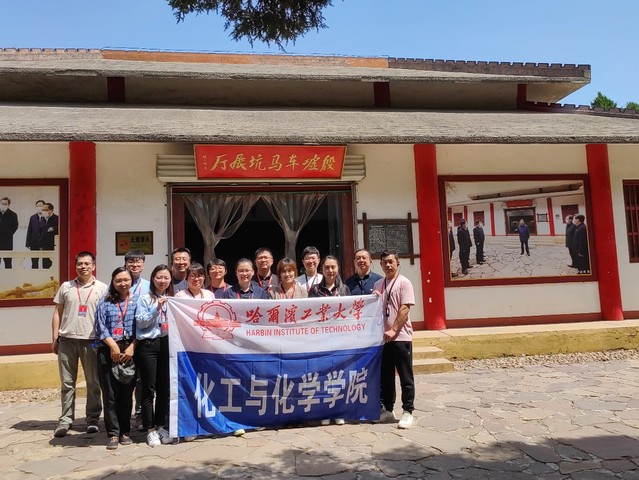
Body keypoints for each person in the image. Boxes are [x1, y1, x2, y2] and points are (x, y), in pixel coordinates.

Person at [51, 251, 107, 438]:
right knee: (67, 383)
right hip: (67, 340)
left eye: (87, 264)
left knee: (93, 382)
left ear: (93, 266)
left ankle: (92, 419)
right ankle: (65, 420)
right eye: (80, 264)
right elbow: (57, 312)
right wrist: (55, 337)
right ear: (75, 266)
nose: (83, 267)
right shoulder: (66, 287)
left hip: (91, 341)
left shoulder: (102, 288)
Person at [94, 267, 137, 450]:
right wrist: (112, 346)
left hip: (129, 349)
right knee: (110, 393)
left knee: (126, 393)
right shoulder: (104, 302)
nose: (123, 283)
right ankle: (112, 433)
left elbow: (142, 327)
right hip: (108, 348)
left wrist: (132, 347)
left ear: (131, 281)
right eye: (118, 280)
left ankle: (125, 431)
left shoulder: (137, 301)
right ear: (112, 282)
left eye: (126, 280)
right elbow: (100, 326)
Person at [373, 249, 416, 429]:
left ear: (398, 263)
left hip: (400, 337)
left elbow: (405, 308)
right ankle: (388, 410)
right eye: (385, 262)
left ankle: (408, 411)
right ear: (381, 265)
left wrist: (394, 329)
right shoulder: (378, 284)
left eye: (391, 261)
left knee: (405, 376)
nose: (388, 265)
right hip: (383, 339)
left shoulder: (404, 283)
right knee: (386, 377)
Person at [135, 264, 173, 447]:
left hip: (166, 344)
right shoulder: (144, 299)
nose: (162, 281)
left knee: (164, 389)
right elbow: (141, 323)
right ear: (152, 279)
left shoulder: (173, 300)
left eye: (166, 277)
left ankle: (160, 426)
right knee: (148, 388)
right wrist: (157, 307)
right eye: (159, 277)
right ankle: (150, 429)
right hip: (148, 345)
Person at [124, 249, 150, 431]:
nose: (134, 265)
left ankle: (140, 414)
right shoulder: (119, 282)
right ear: (126, 264)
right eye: (131, 262)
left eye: (138, 261)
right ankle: (124, 415)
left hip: (143, 338)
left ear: (143, 264)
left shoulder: (148, 286)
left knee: (142, 380)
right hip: (123, 339)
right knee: (124, 379)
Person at [25, 199, 45, 268]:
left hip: (44, 243)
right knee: (34, 263)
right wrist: (27, 243)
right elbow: (29, 230)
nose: (39, 207)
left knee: (46, 263)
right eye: (38, 206)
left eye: (41, 206)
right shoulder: (32, 217)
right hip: (34, 243)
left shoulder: (47, 217)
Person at [0, 197, 19, 268]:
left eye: (5, 204)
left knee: (8, 262)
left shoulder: (13, 215)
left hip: (7, 242)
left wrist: (8, 234)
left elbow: (15, 226)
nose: (3, 205)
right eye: (2, 204)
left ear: (8, 205)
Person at [39, 202, 59, 269]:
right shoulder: (42, 220)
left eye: (46, 210)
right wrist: (40, 245)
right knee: (45, 265)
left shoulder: (57, 218)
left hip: (53, 245)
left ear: (51, 210)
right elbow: (40, 233)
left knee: (54, 265)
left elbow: (62, 228)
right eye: (43, 210)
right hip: (44, 246)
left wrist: (54, 228)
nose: (44, 211)